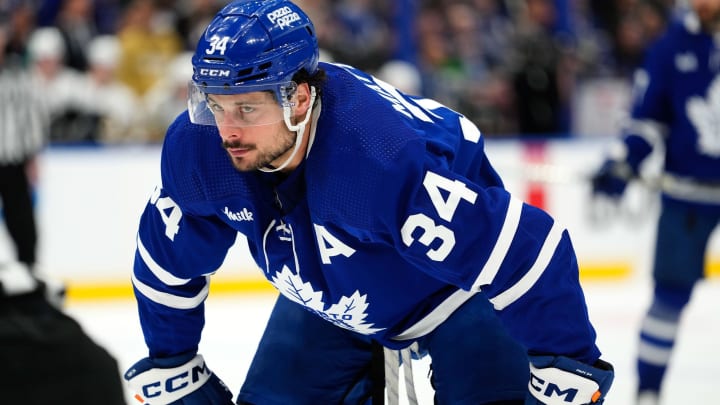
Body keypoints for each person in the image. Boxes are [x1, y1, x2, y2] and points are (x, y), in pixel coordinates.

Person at [123, 1, 614, 404]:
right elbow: (166, 262)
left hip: (453, 295)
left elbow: (528, 251)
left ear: (297, 100)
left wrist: (567, 362)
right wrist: (172, 361)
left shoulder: (375, 162)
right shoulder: (200, 145)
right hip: (326, 300)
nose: (227, 130)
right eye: (215, 102)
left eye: (247, 107)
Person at [591, 1, 720, 404]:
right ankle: (648, 391)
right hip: (688, 195)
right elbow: (648, 119)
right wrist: (623, 162)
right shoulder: (671, 47)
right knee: (668, 297)